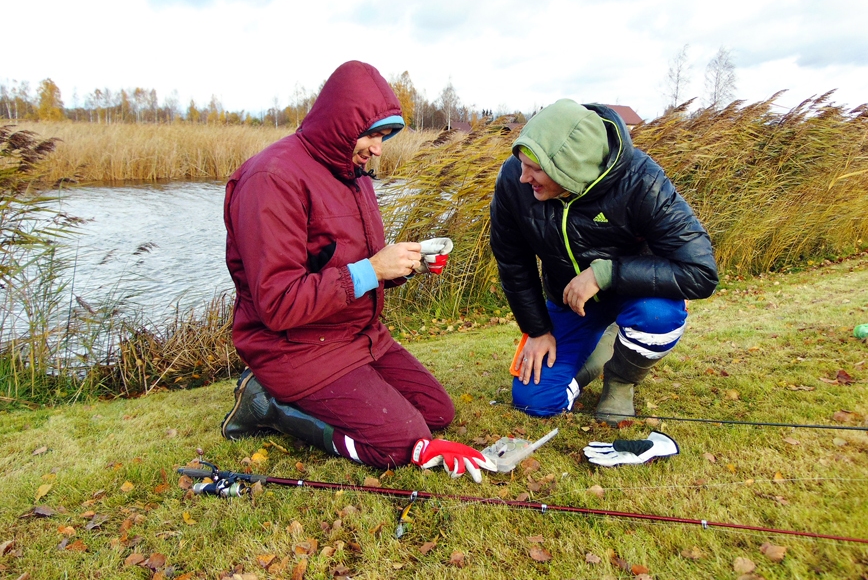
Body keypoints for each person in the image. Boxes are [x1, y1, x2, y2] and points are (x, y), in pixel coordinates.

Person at [221, 61, 495, 482]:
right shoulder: (271, 178)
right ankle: (268, 405)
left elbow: (357, 265)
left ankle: (325, 396)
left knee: (438, 412)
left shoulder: (356, 177)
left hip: (358, 337)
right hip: (296, 349)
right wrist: (371, 269)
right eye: (372, 135)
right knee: (400, 444)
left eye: (384, 136)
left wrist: (406, 264)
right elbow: (276, 304)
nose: (379, 148)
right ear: (339, 123)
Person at [490, 99, 718, 425]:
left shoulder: (643, 181)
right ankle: (599, 348)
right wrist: (537, 330)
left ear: (570, 168)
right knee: (534, 401)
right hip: (568, 301)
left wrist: (605, 272)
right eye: (522, 163)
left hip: (638, 295)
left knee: (657, 315)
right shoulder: (514, 179)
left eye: (536, 169)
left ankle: (621, 381)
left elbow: (701, 272)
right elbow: (513, 263)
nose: (523, 177)